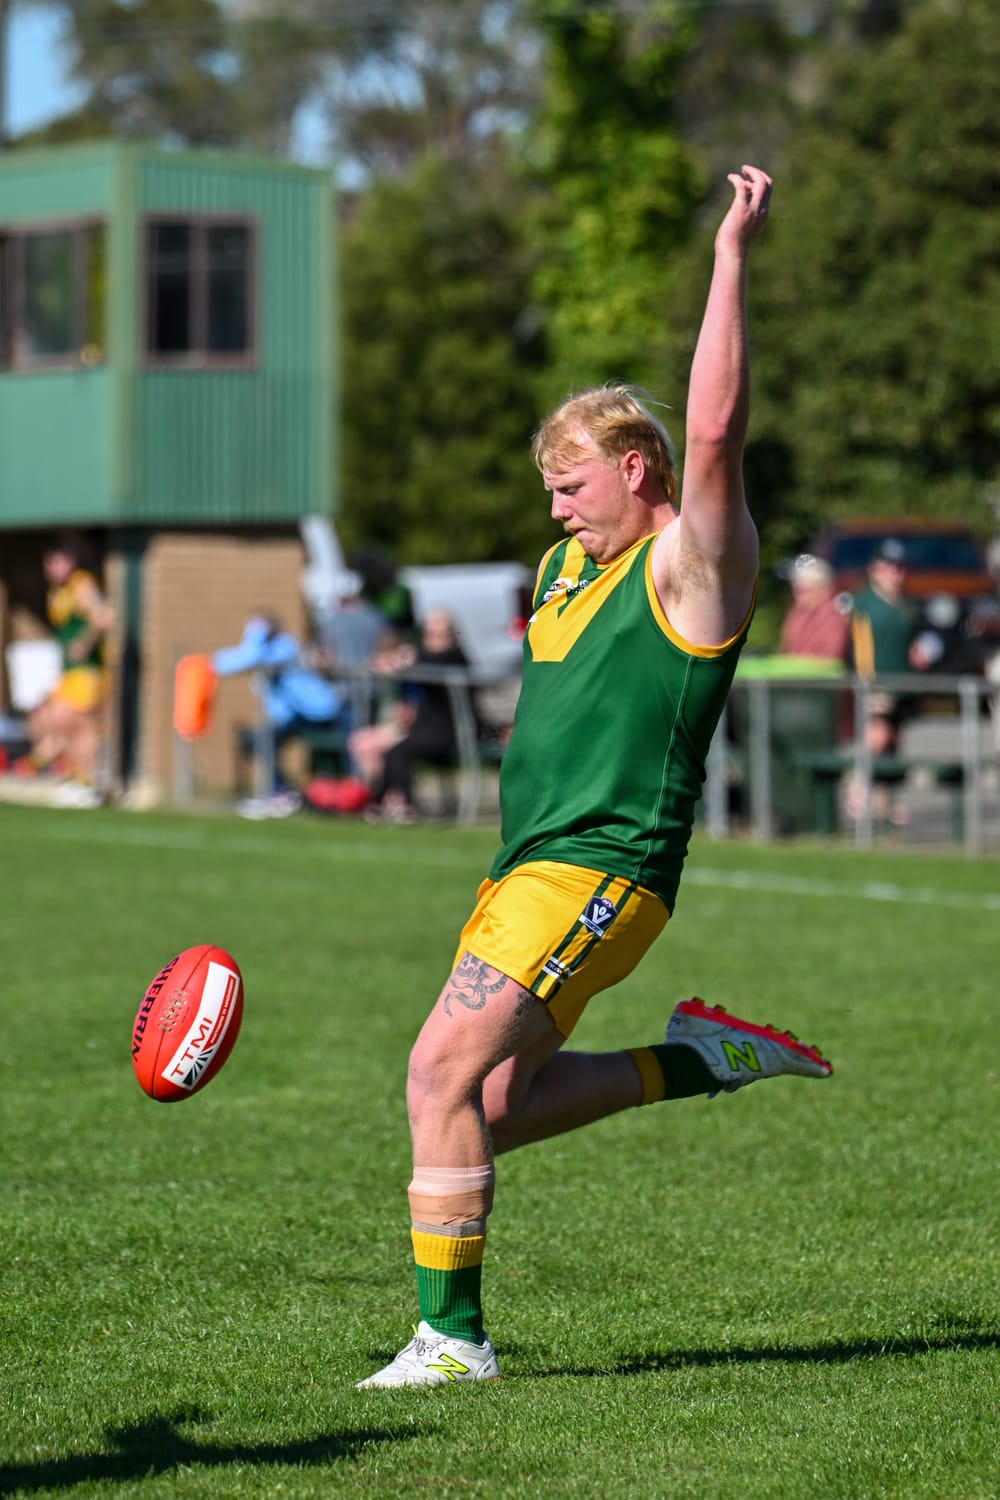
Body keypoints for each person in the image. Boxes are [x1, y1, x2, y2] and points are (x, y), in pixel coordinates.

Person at [357, 165, 834, 1391]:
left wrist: (729, 255)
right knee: (494, 1104)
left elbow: (717, 429)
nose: (557, 505)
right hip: (524, 870)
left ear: (638, 466)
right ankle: (700, 1059)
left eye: (572, 481)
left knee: (436, 1072)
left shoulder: (691, 564)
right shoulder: (564, 571)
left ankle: (451, 1343)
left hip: (599, 869)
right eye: (549, 489)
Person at [212, 613, 351, 818]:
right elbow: (229, 662)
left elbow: (251, 657)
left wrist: (256, 635)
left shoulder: (285, 647)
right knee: (260, 740)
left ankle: (282, 793)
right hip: (297, 714)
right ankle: (281, 790)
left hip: (319, 711)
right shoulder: (268, 649)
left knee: (265, 739)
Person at [845, 538, 940, 822]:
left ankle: (885, 803)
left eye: (900, 567)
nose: (896, 573)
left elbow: (916, 641)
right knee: (878, 735)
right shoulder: (862, 602)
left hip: (904, 684)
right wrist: (864, 678)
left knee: (895, 742)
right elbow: (853, 645)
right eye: (890, 566)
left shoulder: (907, 605)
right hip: (874, 681)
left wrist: (922, 652)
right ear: (875, 569)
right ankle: (857, 789)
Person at [350, 609, 470, 823]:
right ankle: (380, 801)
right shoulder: (423, 660)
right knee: (366, 744)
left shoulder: (455, 657)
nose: (434, 640)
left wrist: (408, 658)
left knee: (396, 753)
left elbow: (435, 661)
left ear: (452, 636)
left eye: (441, 635)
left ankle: (402, 805)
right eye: (430, 634)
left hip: (446, 734)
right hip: (419, 728)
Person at [27, 532, 114, 807]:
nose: (54, 568)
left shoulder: (82, 586)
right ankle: (75, 775)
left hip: (88, 670)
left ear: (71, 562)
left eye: (59, 562)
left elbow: (104, 617)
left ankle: (88, 782)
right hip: (69, 671)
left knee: (82, 726)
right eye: (50, 562)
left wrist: (84, 642)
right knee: (52, 719)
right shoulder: (57, 592)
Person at [778, 554, 850, 661]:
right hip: (795, 675)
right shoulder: (796, 613)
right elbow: (785, 651)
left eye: (803, 589)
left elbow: (830, 658)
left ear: (823, 587)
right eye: (796, 585)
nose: (796, 586)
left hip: (818, 677)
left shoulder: (834, 616)